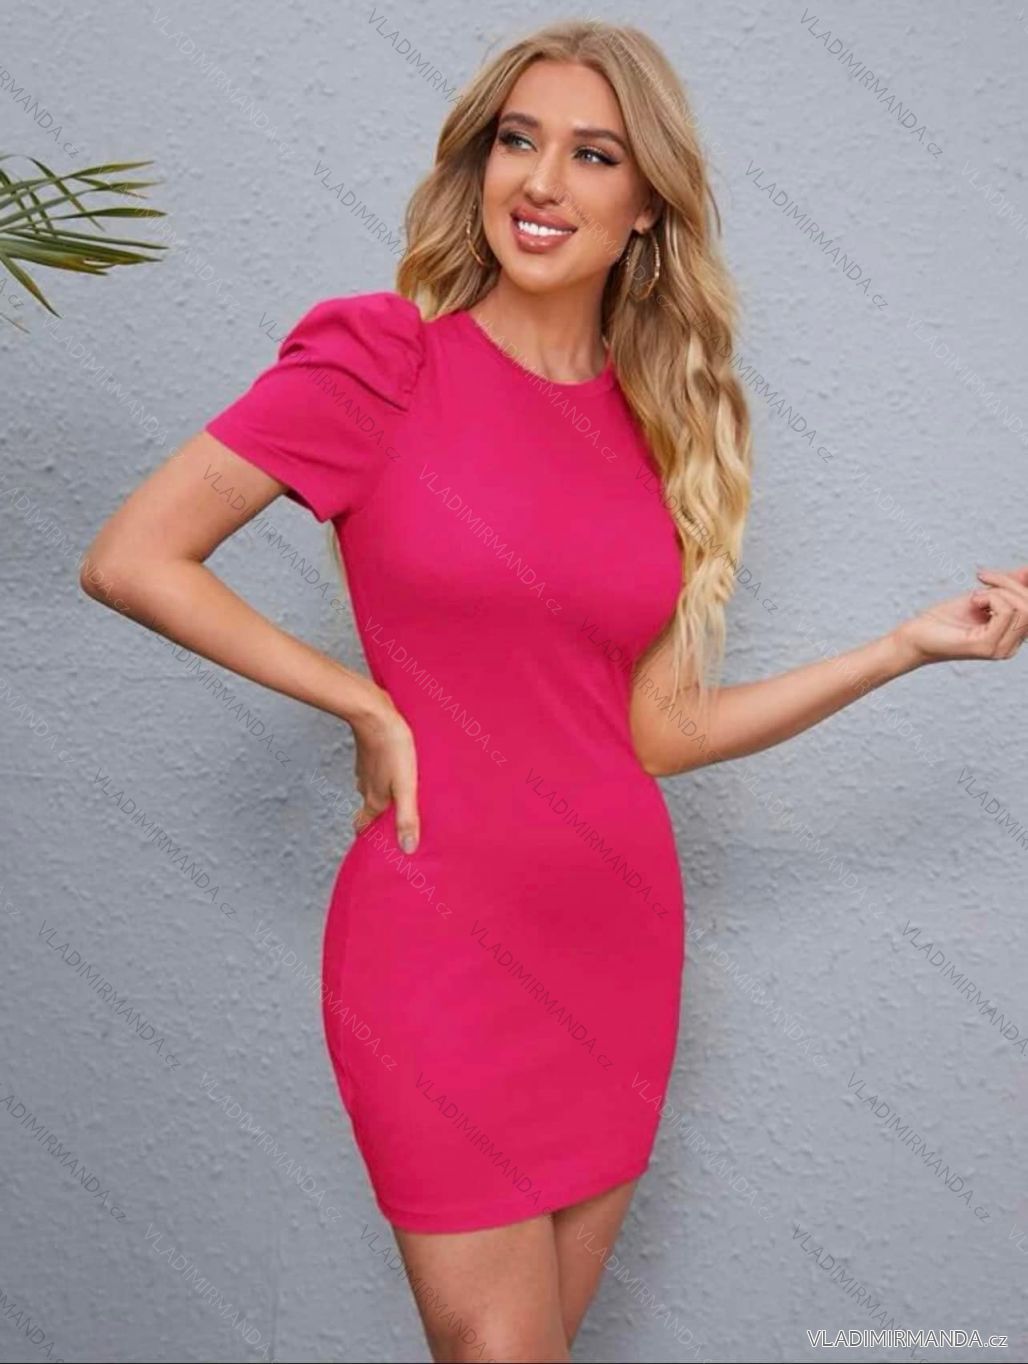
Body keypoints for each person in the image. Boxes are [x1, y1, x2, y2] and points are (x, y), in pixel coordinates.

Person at [80, 19, 1027, 1364]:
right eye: (518, 141)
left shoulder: (669, 426)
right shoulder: (380, 363)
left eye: (594, 155)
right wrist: (362, 701)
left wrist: (899, 650)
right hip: (432, 934)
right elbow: (131, 556)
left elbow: (659, 734)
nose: (542, 181)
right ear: (478, 163)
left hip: (614, 939)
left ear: (646, 208)